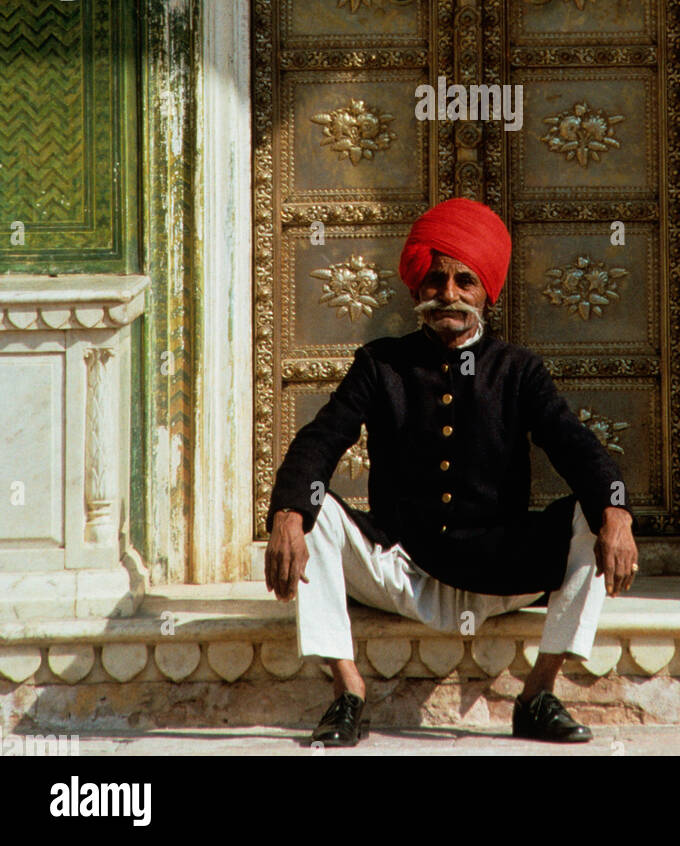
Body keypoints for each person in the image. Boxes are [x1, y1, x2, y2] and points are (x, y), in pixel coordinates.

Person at [265, 197, 639, 746]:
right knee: (312, 514)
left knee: (596, 515)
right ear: (417, 288)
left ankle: (537, 694)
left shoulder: (518, 370)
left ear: (486, 290)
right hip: (401, 567)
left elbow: (573, 442)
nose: (449, 293)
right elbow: (323, 437)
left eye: (465, 280)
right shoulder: (381, 363)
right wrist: (287, 513)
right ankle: (348, 692)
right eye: (436, 280)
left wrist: (616, 511)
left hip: (499, 571)